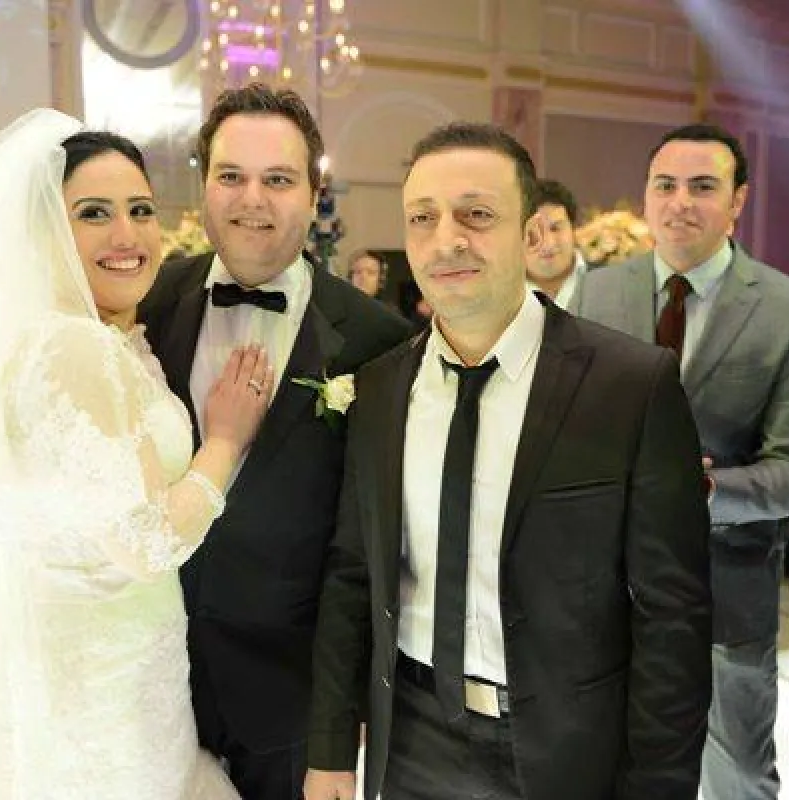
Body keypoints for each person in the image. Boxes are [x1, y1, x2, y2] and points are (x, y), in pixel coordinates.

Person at [0, 109, 270, 798]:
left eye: (140, 210)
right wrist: (224, 440)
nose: (126, 234)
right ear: (46, 232)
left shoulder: (83, 337)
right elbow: (144, 543)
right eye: (94, 213)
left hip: (105, 661)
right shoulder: (75, 347)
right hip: (105, 690)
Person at [305, 122, 713, 800]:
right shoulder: (378, 389)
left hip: (566, 747)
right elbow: (352, 574)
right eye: (423, 218)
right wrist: (330, 749)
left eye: (476, 215)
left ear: (528, 234)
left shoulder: (630, 386)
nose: (446, 240)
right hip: (412, 739)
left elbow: (673, 617)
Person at [139, 83, 412, 800]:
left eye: (279, 179)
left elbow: (364, 557)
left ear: (315, 193)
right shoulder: (145, 305)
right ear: (203, 185)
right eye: (231, 175)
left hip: (290, 704)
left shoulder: (379, 341)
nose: (252, 199)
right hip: (147, 685)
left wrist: (335, 734)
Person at [574, 123, 789, 800]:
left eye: (702, 186)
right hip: (605, 591)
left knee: (738, 777)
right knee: (606, 769)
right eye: (665, 185)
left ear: (738, 199)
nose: (680, 202)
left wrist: (704, 488)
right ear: (646, 194)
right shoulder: (597, 294)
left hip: (726, 590)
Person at [526, 178, 588, 307]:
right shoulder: (499, 292)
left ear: (574, 228)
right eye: (533, 232)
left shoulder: (610, 279)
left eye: (555, 228)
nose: (548, 244)